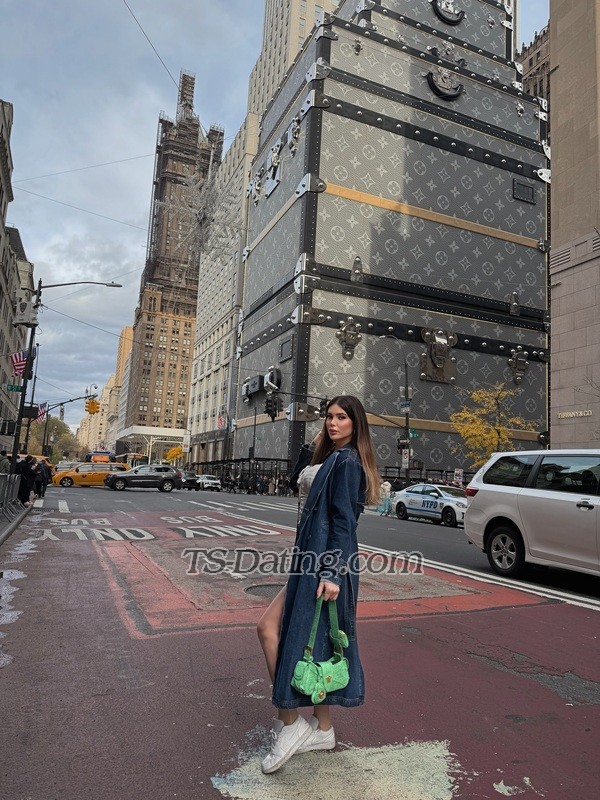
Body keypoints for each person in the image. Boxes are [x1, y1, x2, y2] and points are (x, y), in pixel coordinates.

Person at [257, 395, 380, 774]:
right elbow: (296, 479)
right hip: (310, 561)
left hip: (324, 565)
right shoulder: (332, 457)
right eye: (329, 417)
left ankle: (290, 722)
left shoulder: (347, 462)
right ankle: (323, 729)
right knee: (321, 644)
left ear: (356, 423)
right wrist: (315, 443)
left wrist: (331, 572)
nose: (332, 423)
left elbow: (344, 522)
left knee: (272, 630)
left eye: (341, 417)